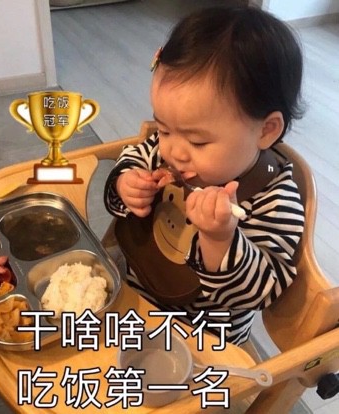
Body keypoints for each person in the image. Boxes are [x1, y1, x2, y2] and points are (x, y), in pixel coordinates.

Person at [104, 4, 305, 345]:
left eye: (197, 141)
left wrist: (220, 240)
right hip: (133, 299)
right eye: (164, 130)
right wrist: (127, 182)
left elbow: (262, 291)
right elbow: (135, 155)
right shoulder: (168, 153)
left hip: (204, 338)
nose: (173, 151)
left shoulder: (274, 200)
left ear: (266, 130)